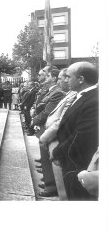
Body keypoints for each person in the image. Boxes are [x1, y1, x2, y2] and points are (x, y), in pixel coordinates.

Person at [51, 62, 98, 200]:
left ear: (81, 79)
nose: (65, 80)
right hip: (71, 160)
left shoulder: (93, 101)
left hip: (77, 164)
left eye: (68, 76)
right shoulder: (83, 95)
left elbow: (81, 136)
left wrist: (58, 151)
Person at [31, 68, 65, 197]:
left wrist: (34, 120)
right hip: (44, 126)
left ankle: (50, 186)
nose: (44, 77)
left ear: (54, 78)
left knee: (48, 158)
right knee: (45, 158)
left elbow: (47, 112)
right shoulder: (49, 90)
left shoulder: (57, 92)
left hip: (48, 128)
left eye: (47, 75)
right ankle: (48, 182)